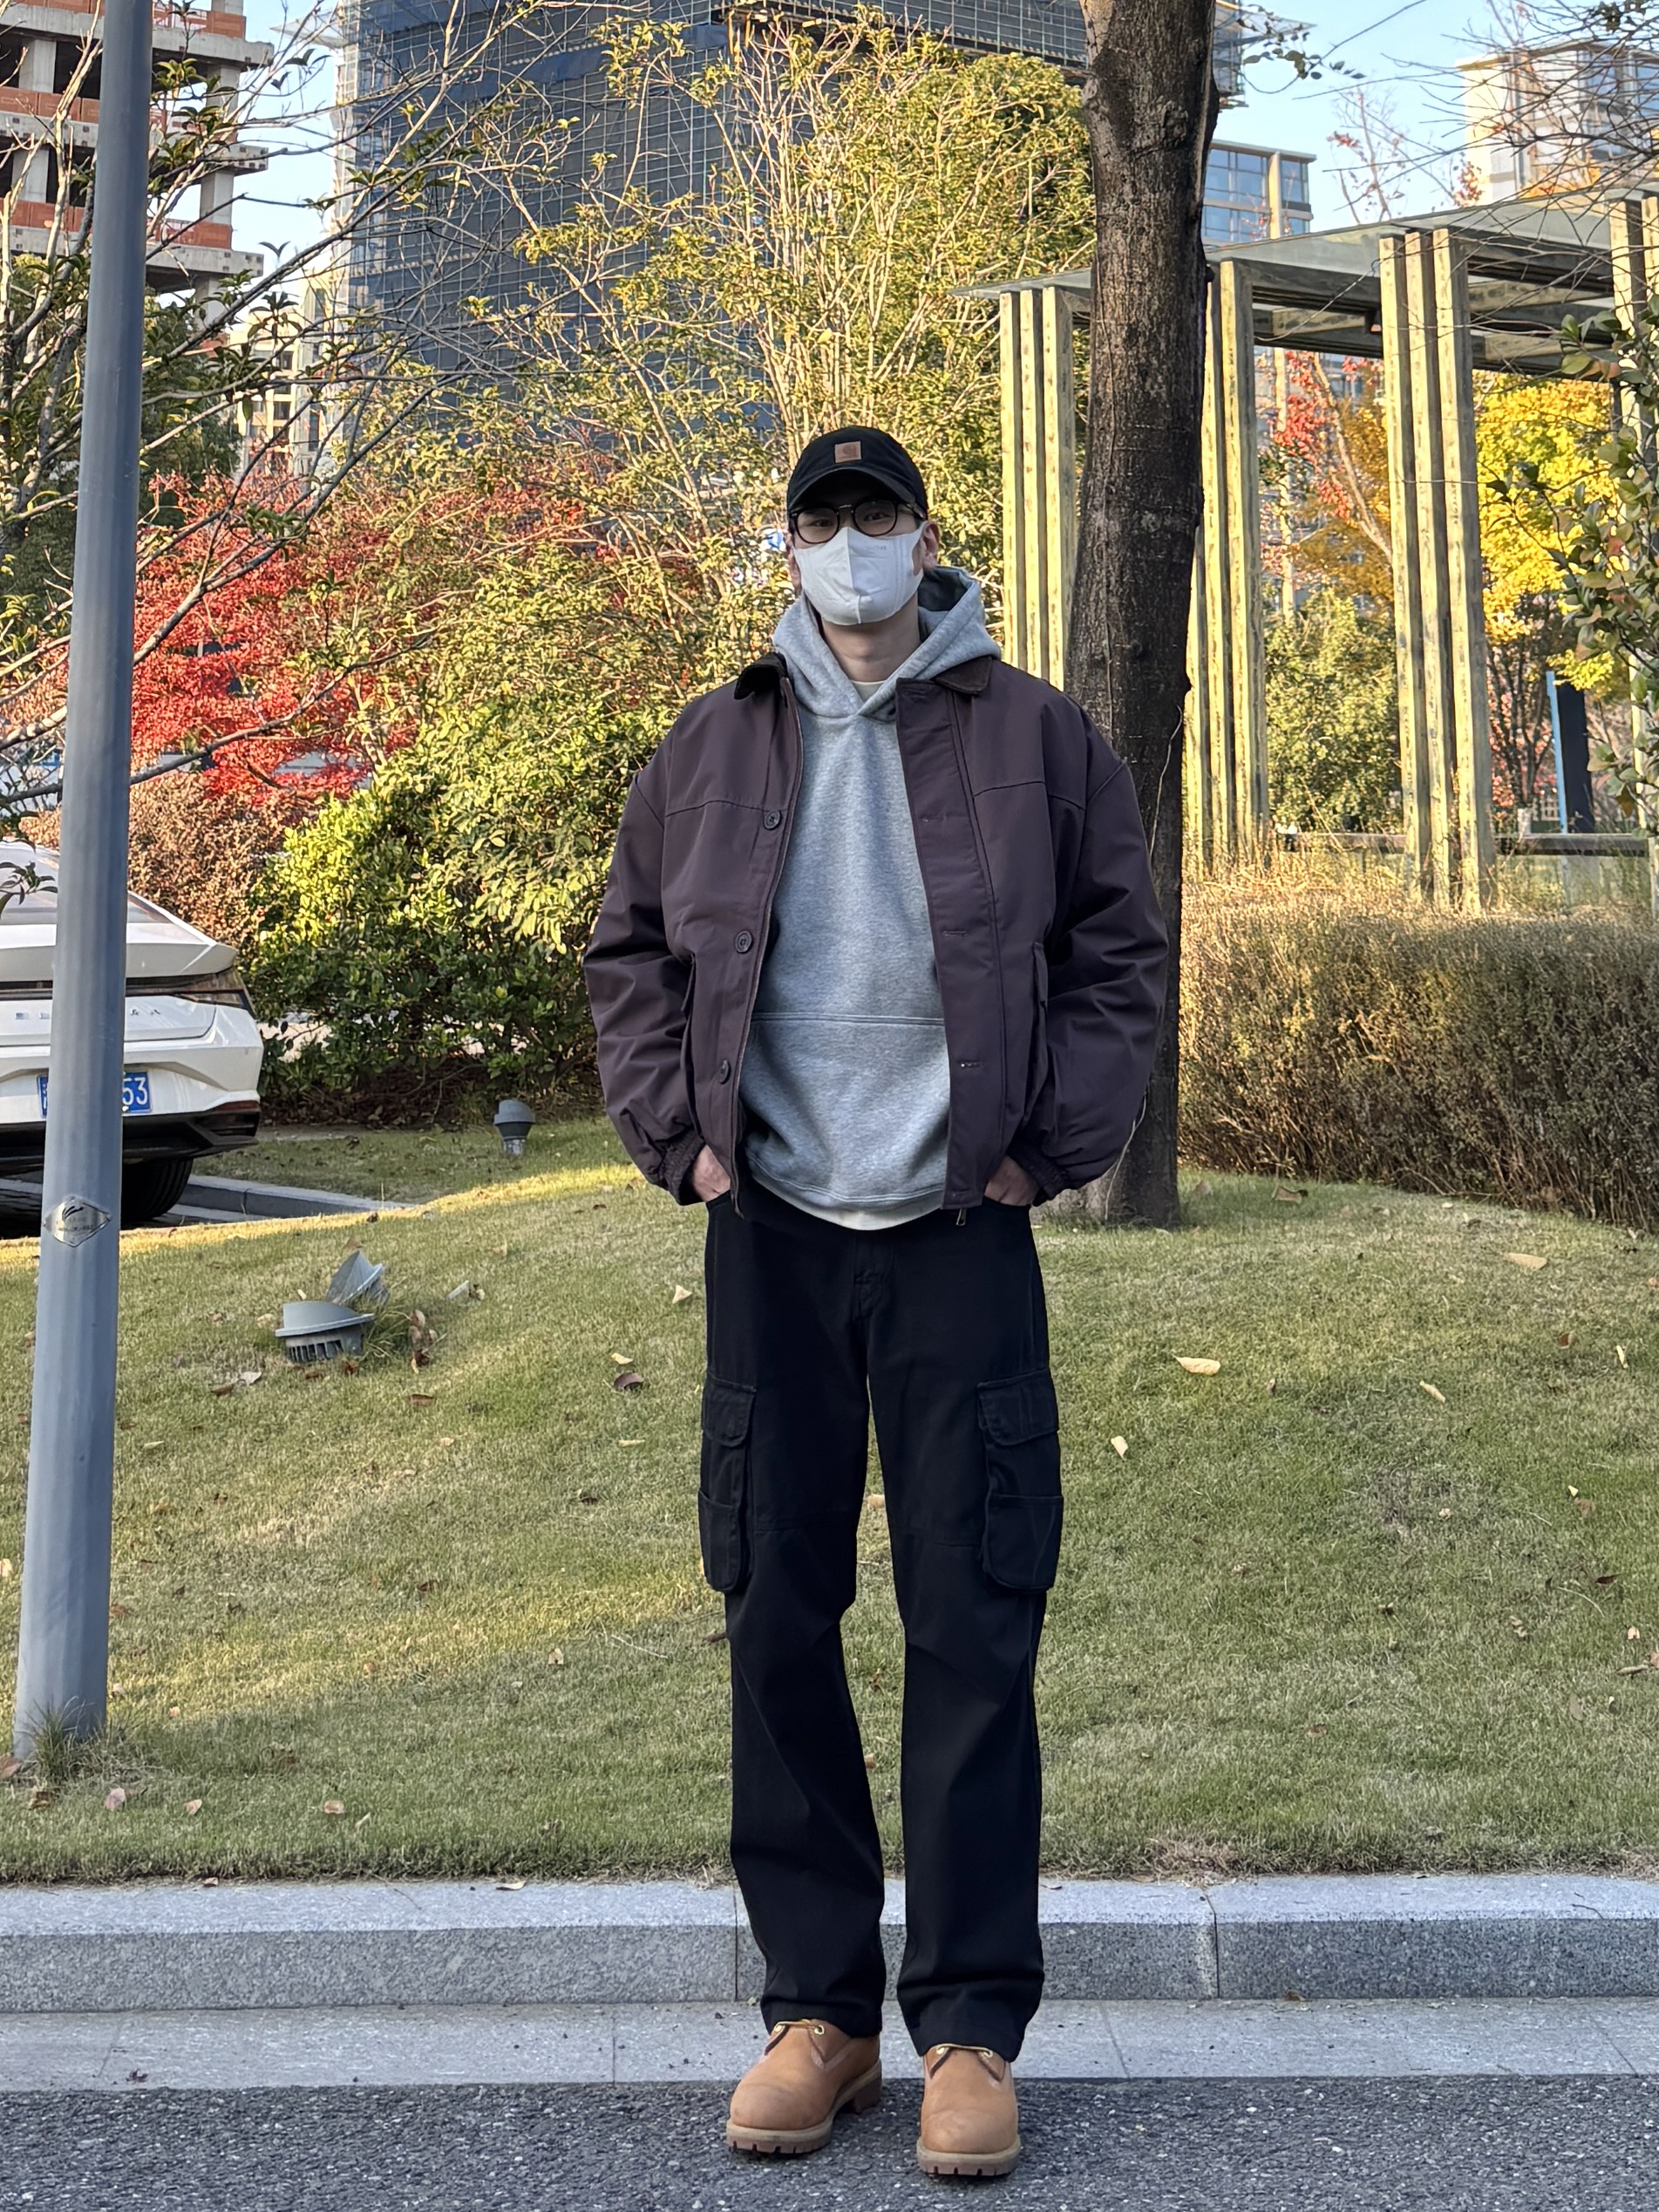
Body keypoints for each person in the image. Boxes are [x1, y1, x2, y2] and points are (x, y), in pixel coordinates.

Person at [585, 427, 1166, 2179]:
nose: (851, 540)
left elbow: (1119, 954)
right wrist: (685, 1144)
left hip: (957, 1232)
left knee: (975, 1621)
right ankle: (819, 2014)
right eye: (823, 516)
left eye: (879, 513)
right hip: (769, 1233)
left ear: (925, 539)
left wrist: (1040, 1152)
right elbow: (629, 952)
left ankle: (969, 2027)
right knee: (775, 1608)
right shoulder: (710, 744)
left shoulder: (1037, 736)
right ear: (789, 546)